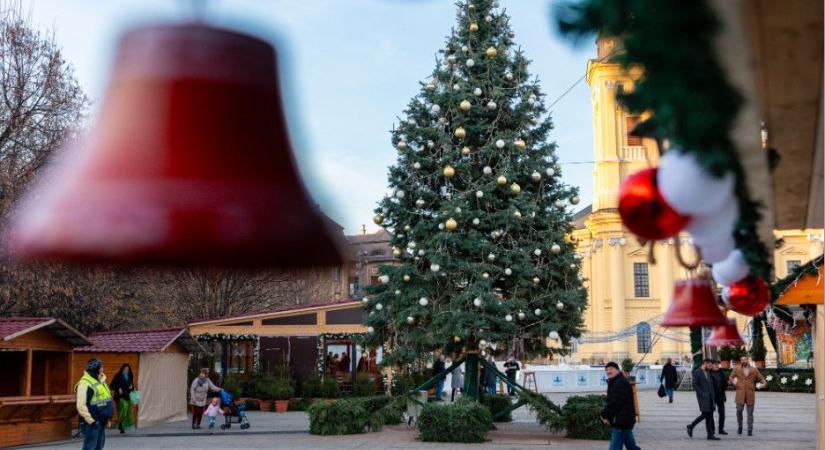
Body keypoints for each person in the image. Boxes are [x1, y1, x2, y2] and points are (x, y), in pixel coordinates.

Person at [75, 358, 114, 450]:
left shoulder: (101, 381)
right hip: (92, 423)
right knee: (90, 447)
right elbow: (80, 406)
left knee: (99, 446)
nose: (102, 369)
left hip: (101, 420)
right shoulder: (85, 384)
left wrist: (108, 418)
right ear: (95, 368)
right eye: (101, 367)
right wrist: (91, 421)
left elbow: (106, 400)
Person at [601, 361, 641, 450]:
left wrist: (605, 415)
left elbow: (615, 403)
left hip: (621, 421)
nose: (608, 371)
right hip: (625, 420)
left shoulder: (619, 383)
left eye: (611, 369)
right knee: (631, 447)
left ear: (618, 370)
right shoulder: (616, 381)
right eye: (606, 370)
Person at [728, 355, 767, 436]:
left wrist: (762, 385)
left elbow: (762, 380)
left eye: (745, 359)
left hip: (750, 394)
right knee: (739, 411)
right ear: (740, 361)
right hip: (740, 394)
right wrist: (735, 383)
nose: (743, 361)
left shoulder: (754, 369)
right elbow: (730, 377)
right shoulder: (736, 369)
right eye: (742, 360)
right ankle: (740, 426)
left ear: (748, 360)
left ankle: (750, 429)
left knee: (750, 413)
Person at [687, 358, 719, 440]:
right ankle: (691, 426)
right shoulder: (697, 372)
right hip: (703, 397)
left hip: (711, 397)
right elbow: (695, 385)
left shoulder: (708, 372)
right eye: (709, 365)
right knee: (705, 414)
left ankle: (710, 434)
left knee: (710, 415)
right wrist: (701, 394)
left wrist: (714, 396)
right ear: (705, 363)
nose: (710, 367)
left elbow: (711, 384)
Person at [109, 363, 135, 434]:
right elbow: (112, 385)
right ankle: (121, 425)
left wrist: (131, 387)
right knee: (122, 411)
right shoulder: (118, 376)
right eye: (125, 369)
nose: (126, 370)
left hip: (127, 396)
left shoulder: (130, 376)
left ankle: (123, 425)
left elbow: (132, 386)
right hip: (120, 397)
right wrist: (118, 388)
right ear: (122, 369)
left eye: (128, 369)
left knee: (127, 412)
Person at [710, 359, 728, 435]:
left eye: (718, 364)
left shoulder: (721, 372)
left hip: (720, 395)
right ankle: (712, 429)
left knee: (722, 413)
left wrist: (728, 383)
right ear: (712, 365)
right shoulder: (709, 373)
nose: (717, 365)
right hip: (712, 396)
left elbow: (725, 384)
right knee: (710, 414)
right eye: (715, 364)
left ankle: (721, 429)